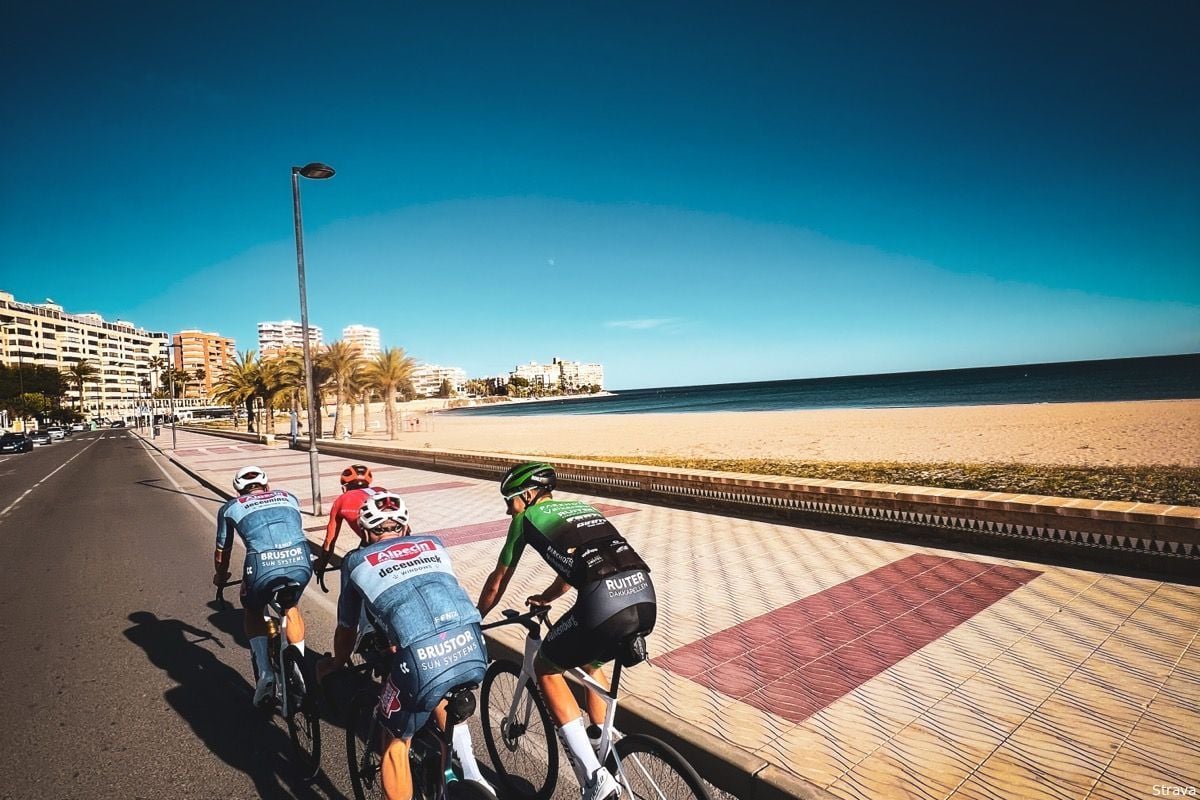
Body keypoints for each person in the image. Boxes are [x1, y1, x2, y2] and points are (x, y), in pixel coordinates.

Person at [476, 462, 656, 800]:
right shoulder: (580, 507)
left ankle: (594, 779)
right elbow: (582, 562)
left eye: (510, 499)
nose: (507, 508)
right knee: (592, 662)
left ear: (528, 495)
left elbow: (498, 582)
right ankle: (604, 744)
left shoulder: (524, 520)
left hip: (603, 603)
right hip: (644, 594)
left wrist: (476, 618)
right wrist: (546, 597)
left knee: (546, 667)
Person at [318, 492, 492, 800]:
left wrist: (336, 664)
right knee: (441, 700)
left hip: (420, 659)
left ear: (365, 532)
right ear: (406, 526)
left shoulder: (356, 561)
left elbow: (347, 627)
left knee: (395, 743)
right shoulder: (434, 543)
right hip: (474, 647)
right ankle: (470, 773)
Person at [213, 465, 314, 707]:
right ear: (267, 486)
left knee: (253, 610)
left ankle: (265, 671)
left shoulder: (229, 508)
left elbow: (222, 551)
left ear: (238, 491)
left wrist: (221, 575)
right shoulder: (289, 496)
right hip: (300, 560)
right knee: (291, 607)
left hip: (261, 566)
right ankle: (298, 667)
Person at [314, 464, 384, 579]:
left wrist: (322, 564)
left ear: (344, 488)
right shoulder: (381, 490)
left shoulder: (342, 499)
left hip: (374, 545)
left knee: (348, 567)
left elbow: (329, 540)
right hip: (404, 540)